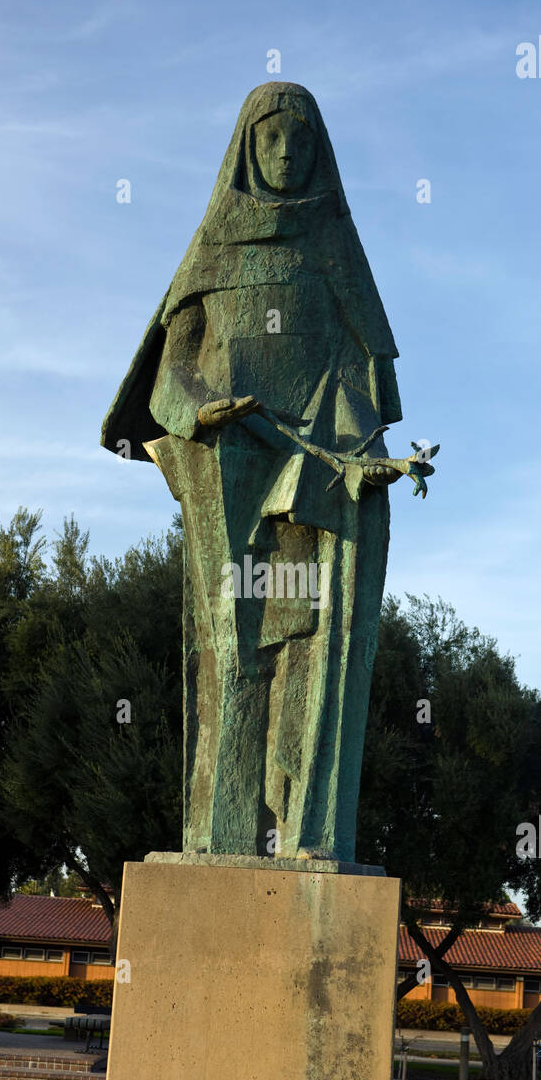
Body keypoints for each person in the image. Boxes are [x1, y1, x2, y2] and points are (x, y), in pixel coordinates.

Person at [102, 82, 407, 865]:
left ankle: (304, 832)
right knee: (233, 653)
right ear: (246, 147)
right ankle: (224, 834)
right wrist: (199, 410)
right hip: (229, 469)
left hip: (314, 480)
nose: (285, 152)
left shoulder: (334, 253)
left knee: (311, 644)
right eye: (272, 138)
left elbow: (361, 382)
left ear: (318, 154)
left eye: (300, 141)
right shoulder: (212, 250)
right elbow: (172, 372)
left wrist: (359, 455)